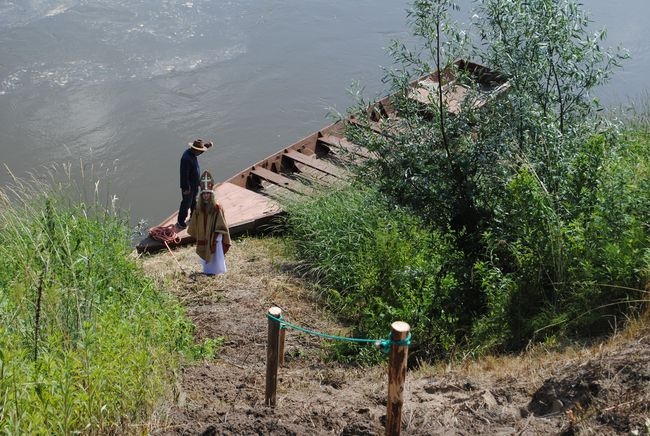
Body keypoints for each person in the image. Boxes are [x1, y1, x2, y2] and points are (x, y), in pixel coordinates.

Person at [187, 170, 231, 275]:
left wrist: (216, 235)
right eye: (204, 194)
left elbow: (221, 223)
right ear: (201, 195)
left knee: (215, 254)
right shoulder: (199, 208)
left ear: (211, 194)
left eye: (208, 193)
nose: (206, 196)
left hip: (215, 236)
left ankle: (217, 270)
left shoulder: (216, 207)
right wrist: (192, 224)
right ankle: (208, 271)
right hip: (204, 235)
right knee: (205, 251)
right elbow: (194, 221)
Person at [176, 138, 213, 230]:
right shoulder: (186, 159)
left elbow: (200, 151)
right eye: (199, 151)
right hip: (188, 187)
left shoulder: (194, 153)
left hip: (194, 184)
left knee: (194, 202)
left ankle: (193, 216)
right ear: (195, 149)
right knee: (186, 204)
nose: (200, 152)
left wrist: (207, 146)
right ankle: (180, 222)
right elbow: (184, 175)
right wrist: (186, 188)